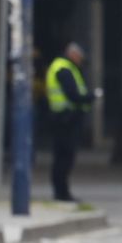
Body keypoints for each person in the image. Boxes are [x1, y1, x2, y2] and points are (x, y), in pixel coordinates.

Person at [45, 42, 95, 203]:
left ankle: (61, 191)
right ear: (73, 54)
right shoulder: (64, 68)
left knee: (62, 157)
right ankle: (62, 192)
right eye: (79, 57)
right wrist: (91, 97)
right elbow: (73, 94)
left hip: (62, 118)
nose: (80, 60)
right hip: (65, 119)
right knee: (65, 157)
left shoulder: (62, 66)